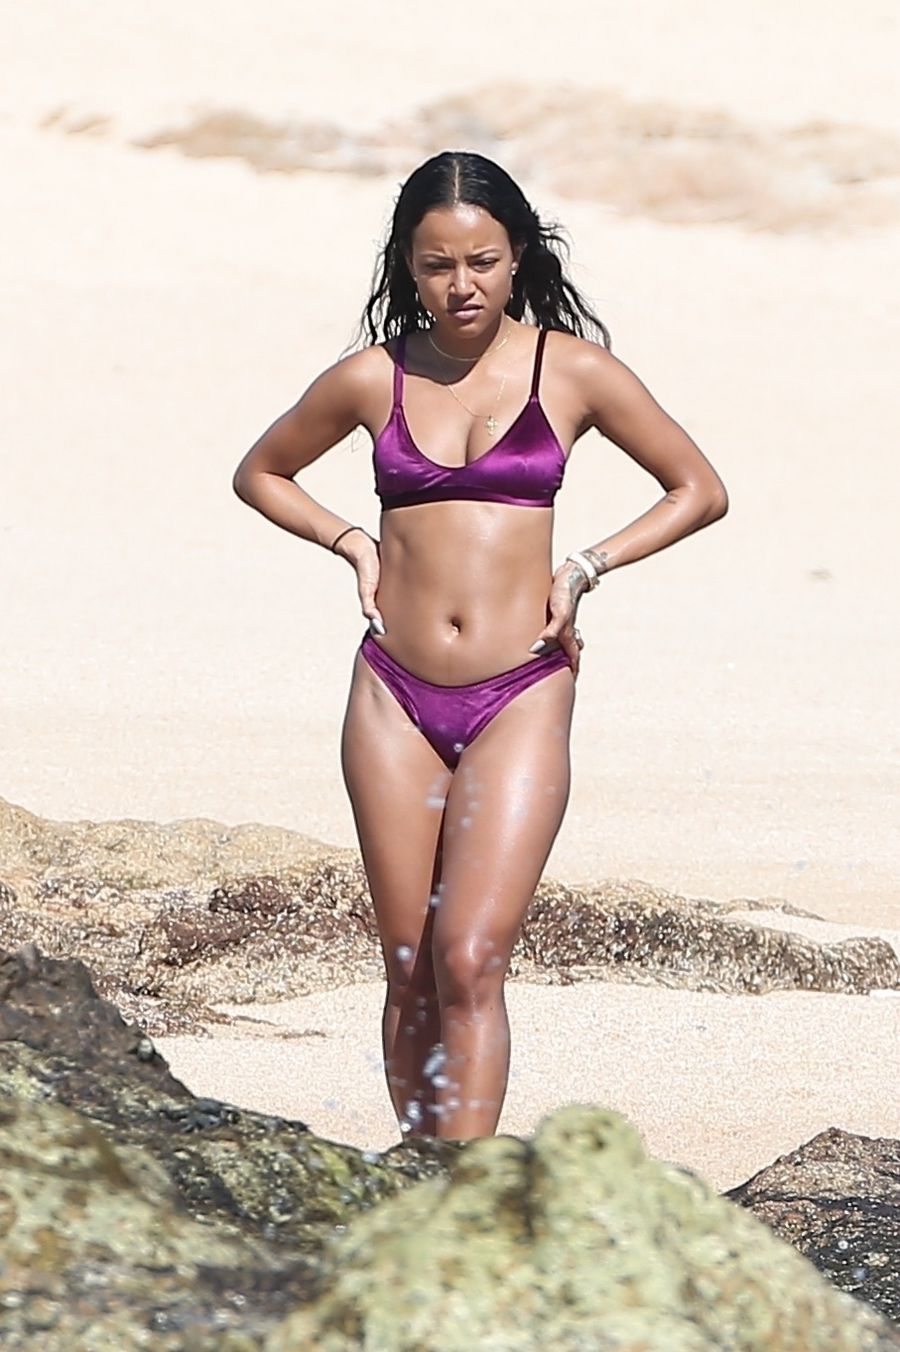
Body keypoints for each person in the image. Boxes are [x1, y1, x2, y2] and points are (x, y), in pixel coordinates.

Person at [232, 149, 728, 1143]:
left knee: (469, 959)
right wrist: (351, 539)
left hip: (522, 689)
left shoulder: (573, 371)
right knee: (410, 963)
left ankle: (468, 1186)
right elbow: (262, 471)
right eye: (437, 265)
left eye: (483, 262)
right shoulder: (374, 376)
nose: (462, 285)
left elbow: (698, 489)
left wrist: (585, 565)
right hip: (392, 692)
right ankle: (422, 1173)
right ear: (409, 269)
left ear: (518, 258)